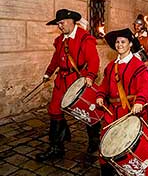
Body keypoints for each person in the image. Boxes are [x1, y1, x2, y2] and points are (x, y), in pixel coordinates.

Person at [36, 9, 100, 162]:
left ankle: (94, 141)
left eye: (62, 22)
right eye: (58, 23)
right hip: (62, 80)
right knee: (54, 111)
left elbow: (94, 60)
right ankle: (56, 148)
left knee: (87, 112)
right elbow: (55, 59)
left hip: (78, 80)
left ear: (72, 21)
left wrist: (90, 76)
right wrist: (48, 73)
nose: (60, 26)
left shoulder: (85, 38)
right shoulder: (59, 40)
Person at [96, 28, 148, 175]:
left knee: (128, 148)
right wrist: (101, 95)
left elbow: (146, 86)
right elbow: (104, 85)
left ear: (130, 44)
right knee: (106, 145)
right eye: (117, 42)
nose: (119, 44)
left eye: (123, 42)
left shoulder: (138, 65)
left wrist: (140, 101)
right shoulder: (110, 66)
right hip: (112, 112)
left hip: (130, 112)